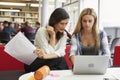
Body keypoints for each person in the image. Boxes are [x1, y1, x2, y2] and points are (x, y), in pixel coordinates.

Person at [24, 8, 70, 73]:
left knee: (58, 63)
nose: (64, 26)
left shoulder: (64, 34)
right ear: (54, 22)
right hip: (35, 62)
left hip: (52, 62)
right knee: (60, 60)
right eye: (62, 23)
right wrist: (53, 36)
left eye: (66, 23)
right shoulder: (42, 31)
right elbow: (48, 52)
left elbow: (61, 52)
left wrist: (46, 56)